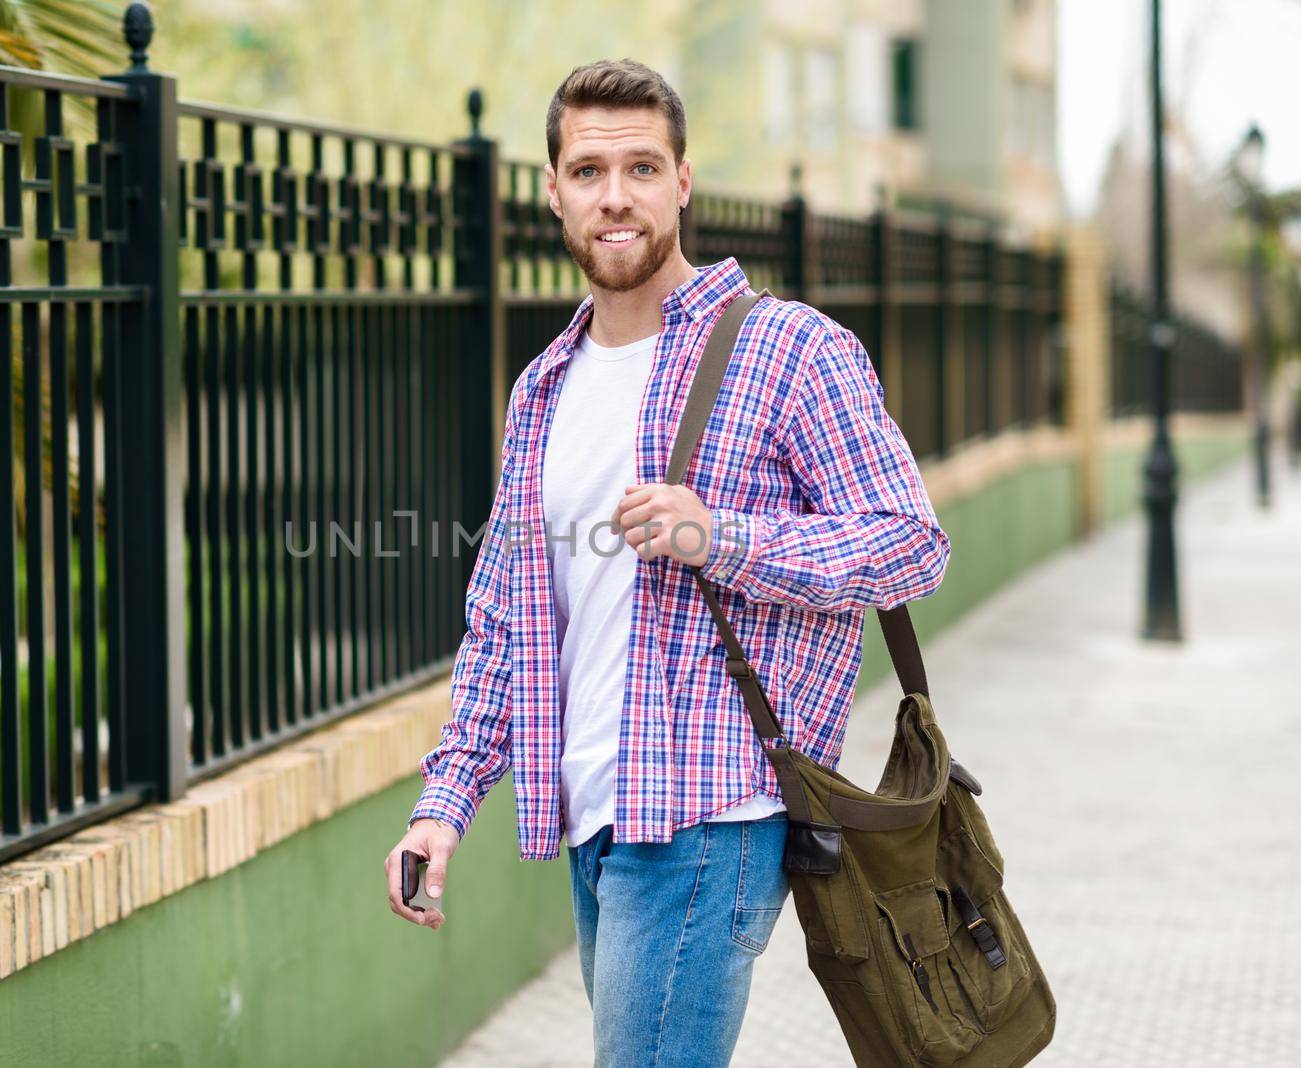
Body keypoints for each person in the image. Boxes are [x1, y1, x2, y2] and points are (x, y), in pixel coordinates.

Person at [384, 58, 950, 1067]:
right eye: (588, 169)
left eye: (641, 167)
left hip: (711, 818)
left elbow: (910, 545)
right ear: (551, 191)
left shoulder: (790, 352)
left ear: (681, 183)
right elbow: (506, 615)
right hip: (593, 817)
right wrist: (445, 803)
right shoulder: (545, 386)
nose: (615, 196)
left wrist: (720, 537)